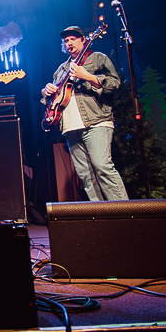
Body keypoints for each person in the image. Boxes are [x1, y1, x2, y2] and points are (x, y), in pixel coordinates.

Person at [42, 26, 129, 201]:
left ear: (84, 40)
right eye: (66, 41)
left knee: (102, 166)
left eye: (73, 39)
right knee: (85, 175)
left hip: (96, 122)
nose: (69, 43)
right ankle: (101, 212)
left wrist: (88, 76)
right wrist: (46, 91)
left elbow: (115, 83)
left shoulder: (98, 58)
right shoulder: (61, 69)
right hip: (70, 126)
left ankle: (123, 211)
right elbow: (51, 98)